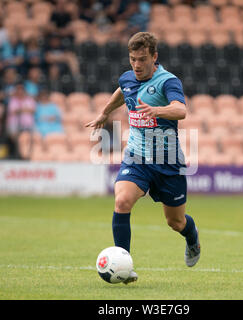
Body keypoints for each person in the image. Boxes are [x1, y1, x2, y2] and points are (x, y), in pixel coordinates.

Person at [85, 32, 200, 284]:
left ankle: (192, 238)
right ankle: (124, 264)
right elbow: (122, 91)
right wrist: (104, 112)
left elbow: (181, 110)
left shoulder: (168, 81)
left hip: (167, 161)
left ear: (154, 57)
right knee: (122, 201)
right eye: (133, 59)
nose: (136, 65)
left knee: (175, 221)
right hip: (137, 157)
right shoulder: (128, 77)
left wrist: (157, 110)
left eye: (142, 59)